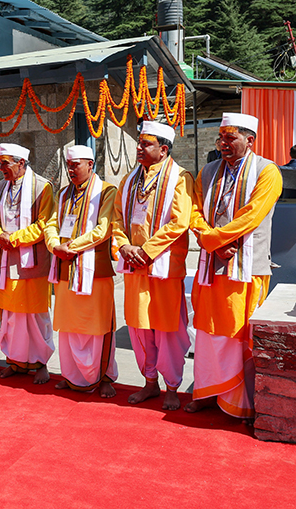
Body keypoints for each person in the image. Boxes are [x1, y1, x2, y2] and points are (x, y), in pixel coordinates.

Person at [186, 113, 282, 419]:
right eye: (220, 138)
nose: (223, 144)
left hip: (246, 268)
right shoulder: (209, 170)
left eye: (231, 138)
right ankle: (206, 391)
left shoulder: (268, 172)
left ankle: (237, 402)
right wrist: (210, 239)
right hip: (213, 267)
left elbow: (252, 216)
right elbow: (194, 211)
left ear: (250, 140)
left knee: (237, 334)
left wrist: (213, 239)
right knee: (207, 334)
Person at [112, 122, 193, 411]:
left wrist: (146, 251)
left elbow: (179, 222)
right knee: (139, 329)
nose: (138, 148)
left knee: (166, 329)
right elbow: (116, 220)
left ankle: (172, 385)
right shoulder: (129, 180)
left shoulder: (180, 178)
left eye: (145, 144)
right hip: (135, 267)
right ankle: (149, 383)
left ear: (163, 148)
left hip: (163, 268)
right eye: (138, 143)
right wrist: (123, 246)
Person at [44, 145, 118, 397]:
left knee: (96, 324)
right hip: (65, 267)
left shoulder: (107, 192)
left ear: (90, 165)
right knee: (68, 326)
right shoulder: (63, 193)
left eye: (76, 165)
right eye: (69, 165)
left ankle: (104, 375)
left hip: (94, 270)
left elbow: (103, 230)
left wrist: (71, 247)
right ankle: (71, 374)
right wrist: (55, 246)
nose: (71, 170)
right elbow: (51, 225)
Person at [0, 143, 54, 385]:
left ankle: (41, 363)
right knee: (11, 315)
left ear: (21, 163)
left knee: (35, 315)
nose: (1, 168)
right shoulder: (1, 186)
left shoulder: (42, 187)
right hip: (7, 258)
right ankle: (15, 361)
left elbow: (44, 224)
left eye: (5, 163)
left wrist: (14, 238)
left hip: (32, 261)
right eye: (0, 163)